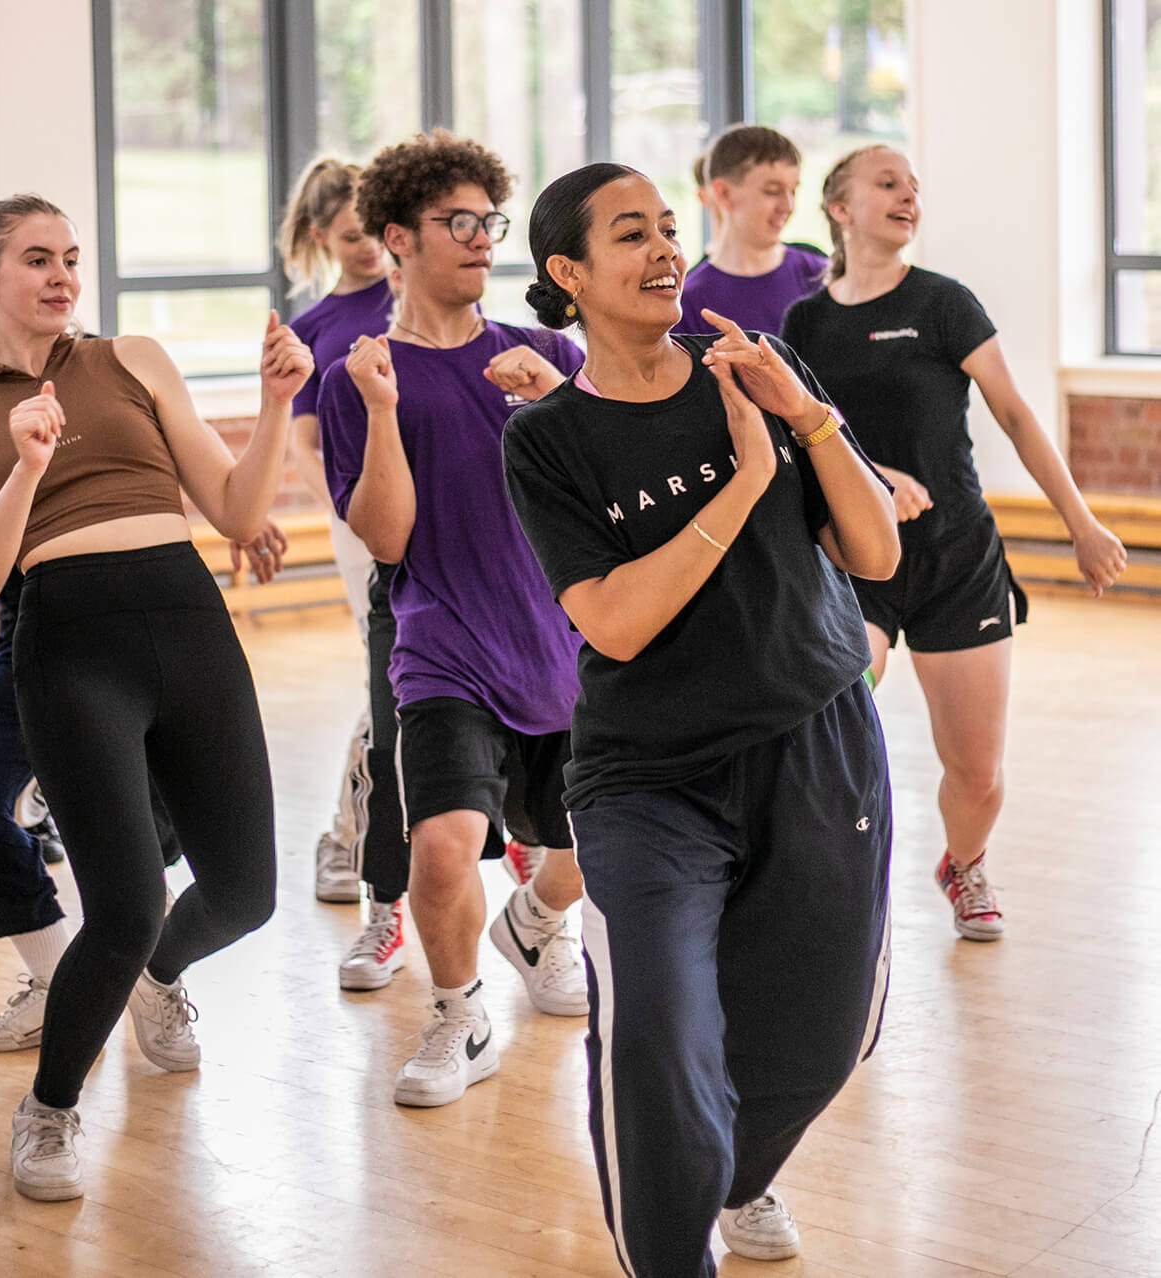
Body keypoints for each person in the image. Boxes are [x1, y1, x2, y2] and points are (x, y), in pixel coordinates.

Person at [504, 162, 902, 1274]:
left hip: (819, 743)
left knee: (829, 1042)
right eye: (632, 235)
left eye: (670, 228)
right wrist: (742, 481)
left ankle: (738, 1179)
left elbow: (876, 553)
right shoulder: (547, 440)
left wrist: (806, 416)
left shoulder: (758, 370)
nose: (666, 249)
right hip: (651, 782)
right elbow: (617, 624)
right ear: (568, 273)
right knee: (662, 1047)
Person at [0, 192, 307, 1202]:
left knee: (248, 894)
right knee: (126, 905)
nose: (61, 275)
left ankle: (158, 981)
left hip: (188, 621)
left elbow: (235, 507)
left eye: (71, 258)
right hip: (70, 642)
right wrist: (29, 467)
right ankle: (49, 1108)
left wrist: (274, 406)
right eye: (37, 258)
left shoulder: (133, 360)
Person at [782, 145, 1128, 941]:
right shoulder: (805, 322)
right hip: (853, 564)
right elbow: (797, 439)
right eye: (888, 183)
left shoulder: (943, 304)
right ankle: (825, 884)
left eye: (914, 187)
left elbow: (1015, 414)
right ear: (839, 209)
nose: (909, 196)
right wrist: (869, 474)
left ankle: (963, 863)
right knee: (830, 729)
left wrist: (1081, 523)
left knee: (975, 772)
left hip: (955, 561)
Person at [317, 131, 588, 1110]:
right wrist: (384, 411)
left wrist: (561, 401)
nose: (481, 240)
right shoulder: (360, 374)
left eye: (488, 222)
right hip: (443, 644)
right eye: (457, 222)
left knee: (597, 845)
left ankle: (537, 923)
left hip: (561, 641)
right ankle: (457, 1011)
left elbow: (604, 492)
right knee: (438, 848)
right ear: (398, 235)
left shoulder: (548, 352)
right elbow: (388, 536)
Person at [275, 156, 393, 916]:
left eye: (374, 232)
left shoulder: (413, 292)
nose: (368, 248)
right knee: (383, 680)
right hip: (360, 522)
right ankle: (345, 839)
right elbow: (303, 444)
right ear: (321, 236)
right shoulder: (310, 329)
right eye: (350, 236)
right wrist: (343, 511)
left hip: (434, 501)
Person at [678, 125, 827, 337]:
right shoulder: (687, 305)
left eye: (793, 190)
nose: (788, 206)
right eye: (772, 191)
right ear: (724, 193)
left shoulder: (821, 277)